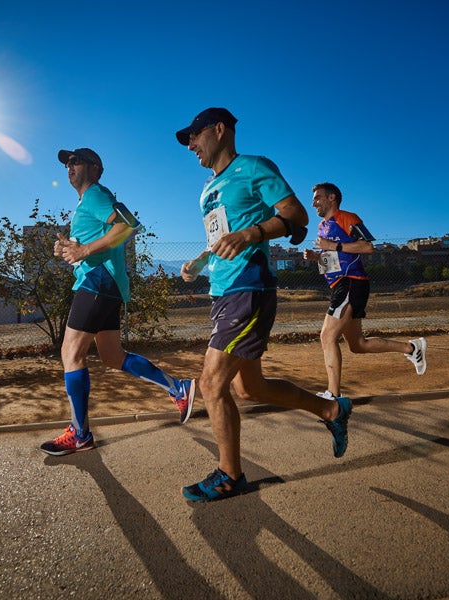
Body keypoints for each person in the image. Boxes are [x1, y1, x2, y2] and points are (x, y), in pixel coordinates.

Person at [176, 107, 352, 501]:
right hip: (223, 290)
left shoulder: (254, 167)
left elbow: (295, 215)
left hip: (249, 286)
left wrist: (250, 234)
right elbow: (219, 239)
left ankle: (230, 475)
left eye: (195, 136)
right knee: (251, 388)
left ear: (219, 130)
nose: (191, 145)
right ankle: (332, 411)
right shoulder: (207, 190)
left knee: (211, 382)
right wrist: (199, 262)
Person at [39, 147, 196, 456]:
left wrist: (83, 252)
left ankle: (80, 433)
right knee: (112, 356)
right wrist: (70, 248)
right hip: (103, 281)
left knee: (70, 353)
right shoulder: (88, 202)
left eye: (76, 161)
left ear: (95, 168)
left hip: (98, 281)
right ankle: (178, 388)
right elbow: (98, 241)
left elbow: (127, 225)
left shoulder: (96, 193)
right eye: (67, 163)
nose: (69, 166)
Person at [302, 182, 427, 399]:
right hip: (339, 284)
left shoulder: (347, 217)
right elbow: (333, 259)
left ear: (332, 198)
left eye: (318, 197)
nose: (314, 203)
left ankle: (333, 395)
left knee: (327, 336)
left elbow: (368, 247)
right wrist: (317, 257)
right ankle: (412, 348)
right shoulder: (322, 226)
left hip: (351, 282)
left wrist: (333, 246)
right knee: (358, 345)